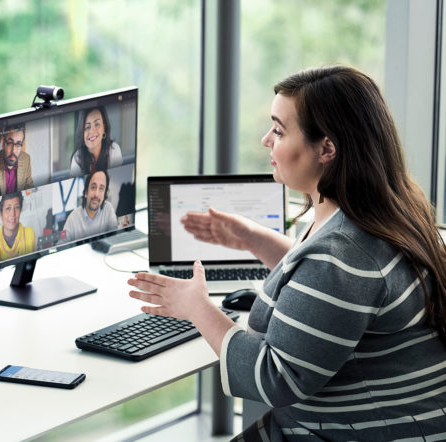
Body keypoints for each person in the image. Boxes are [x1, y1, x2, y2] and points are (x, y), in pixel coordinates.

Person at [128, 66, 446, 440]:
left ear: (327, 148)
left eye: (279, 130)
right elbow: (338, 298)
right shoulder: (390, 211)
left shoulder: (342, 255)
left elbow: (272, 379)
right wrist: (256, 239)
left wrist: (196, 306)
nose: (266, 140)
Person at [0, 192, 36, 265]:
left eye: (16, 207)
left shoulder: (29, 233)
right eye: (8, 208)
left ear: (20, 211)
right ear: (1, 215)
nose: (12, 214)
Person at [64, 170, 117, 241]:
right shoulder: (72, 218)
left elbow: (115, 236)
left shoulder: (108, 209)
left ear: (104, 195)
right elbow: (62, 244)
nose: (96, 194)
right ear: (86, 192)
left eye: (101, 188)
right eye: (93, 187)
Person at [70, 106, 122, 176]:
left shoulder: (114, 149)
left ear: (104, 128)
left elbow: (117, 177)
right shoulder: (77, 158)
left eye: (97, 124)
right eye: (87, 127)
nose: (92, 131)